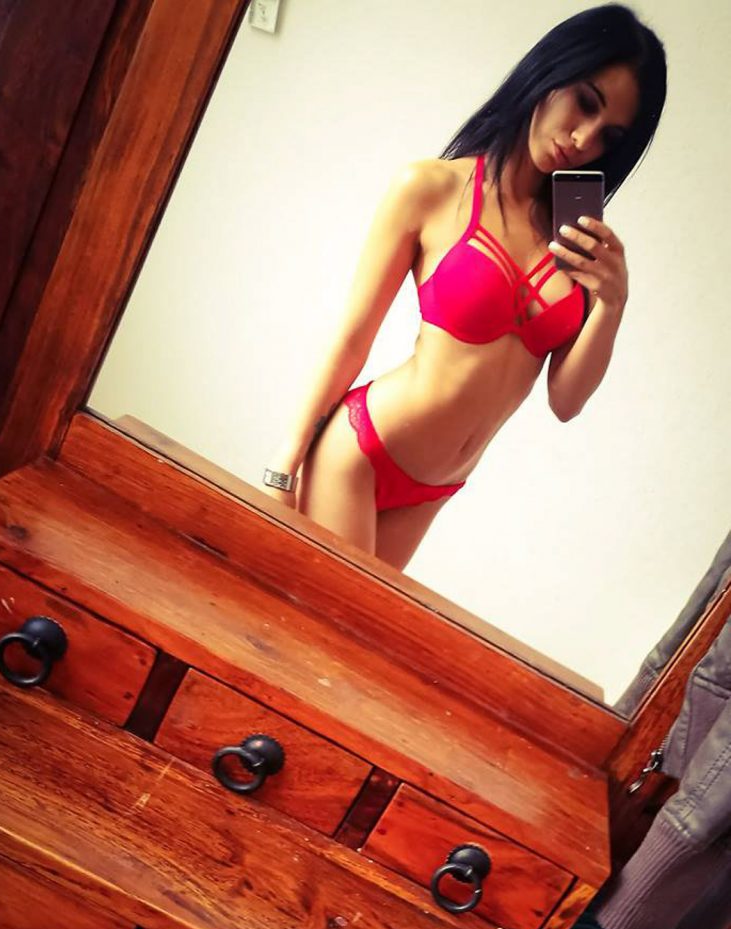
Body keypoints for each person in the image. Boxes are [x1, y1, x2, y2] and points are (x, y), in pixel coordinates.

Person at [260, 5, 666, 571]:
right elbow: (352, 338)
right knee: (319, 621)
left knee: (350, 628)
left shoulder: (579, 244)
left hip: (437, 487)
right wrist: (284, 464)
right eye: (584, 102)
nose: (583, 139)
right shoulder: (430, 188)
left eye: (609, 135)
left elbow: (565, 402)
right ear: (550, 73)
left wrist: (613, 304)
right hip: (361, 455)